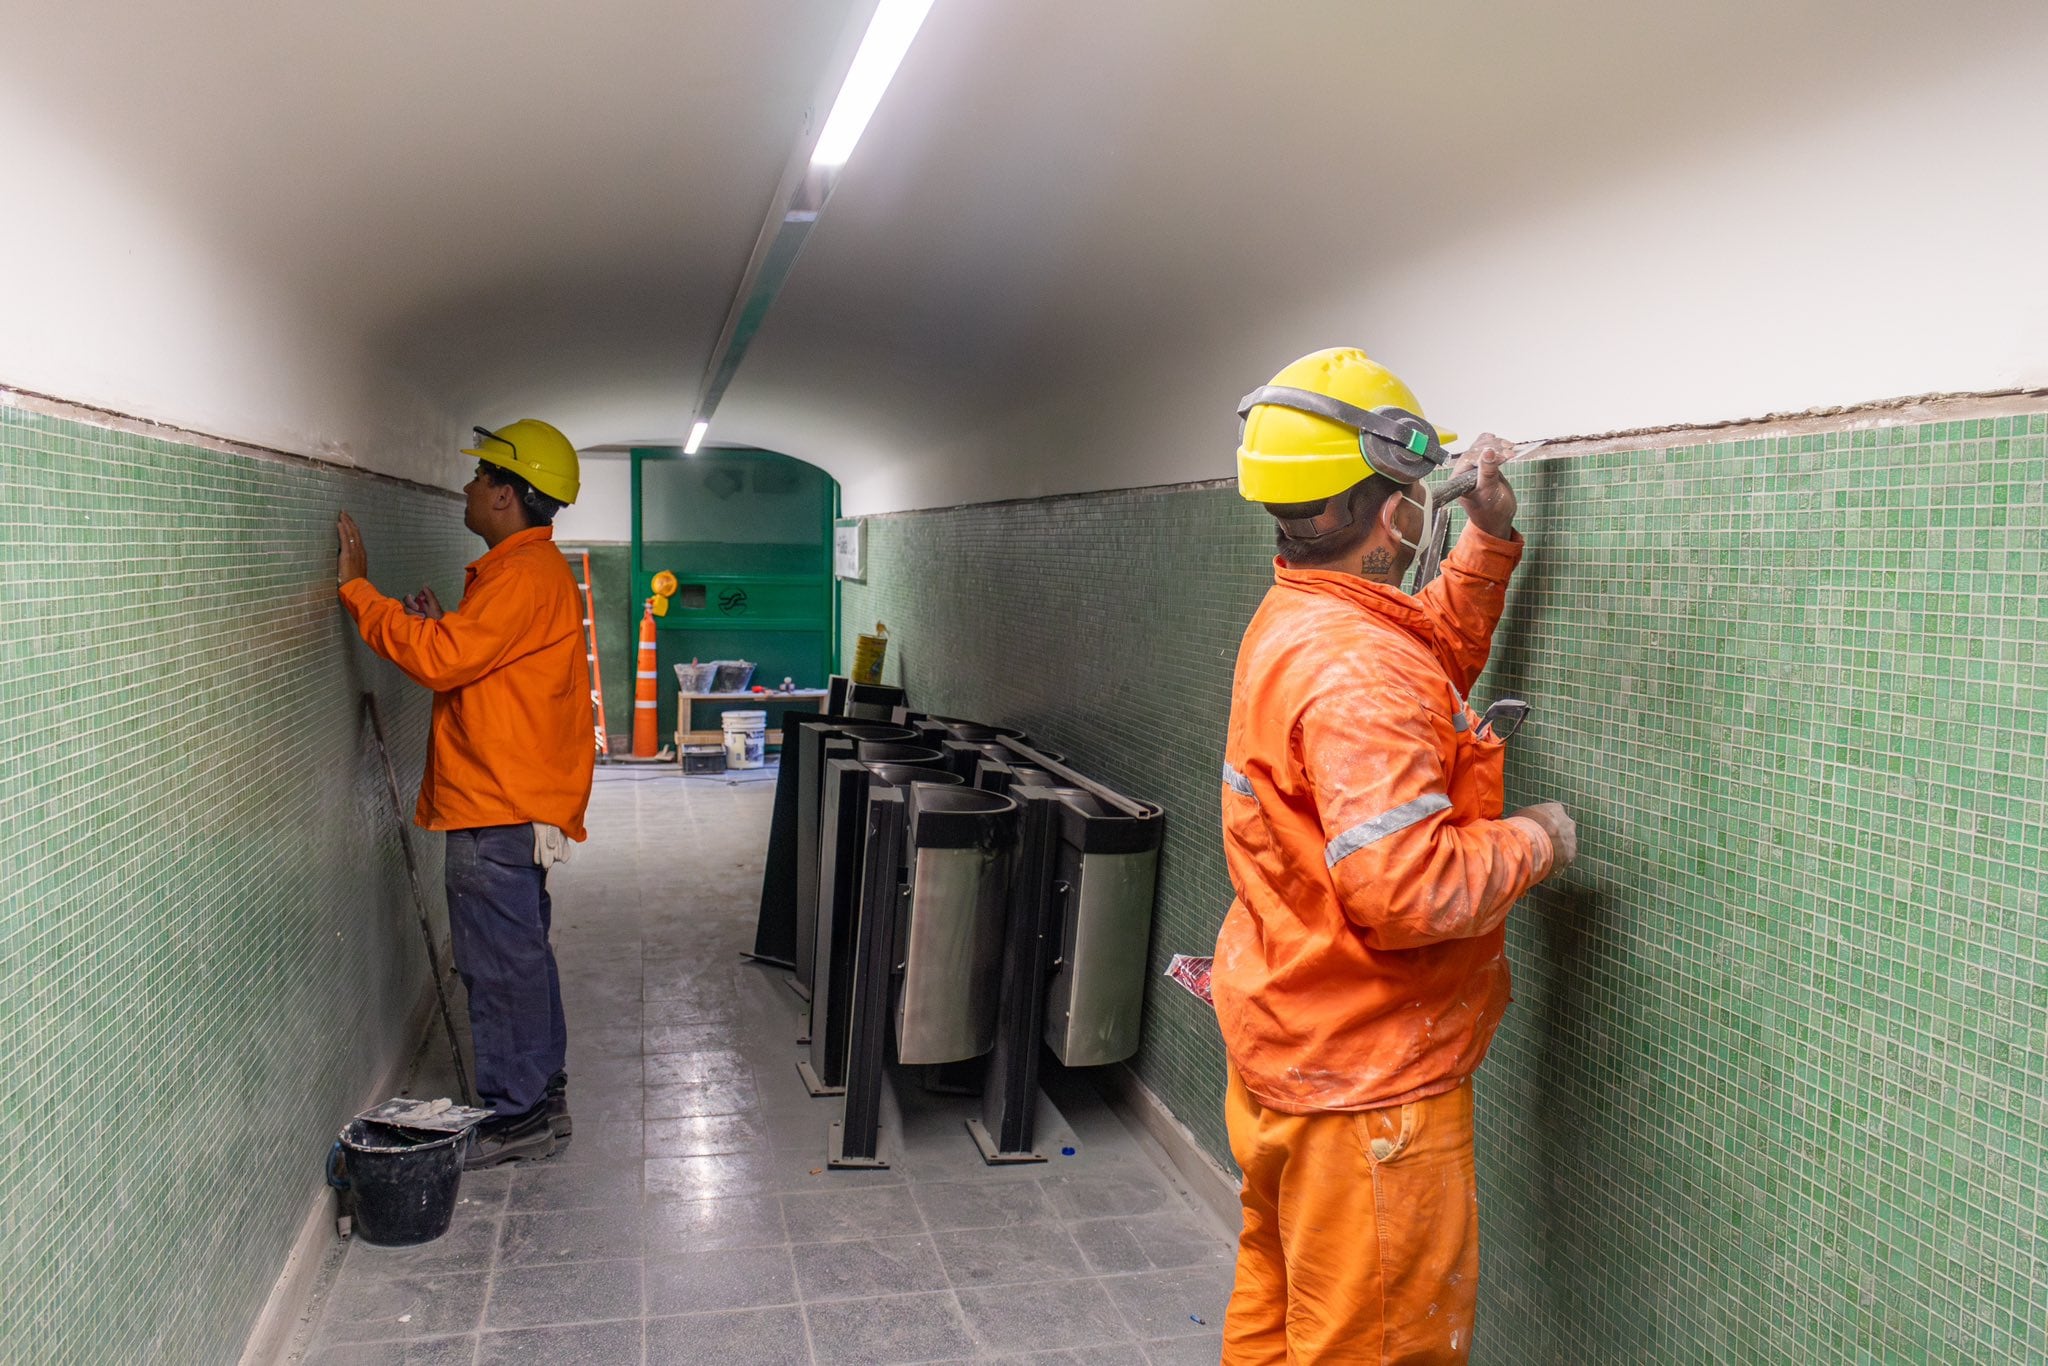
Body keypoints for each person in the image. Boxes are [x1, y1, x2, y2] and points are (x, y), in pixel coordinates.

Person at [1212, 348, 1579, 1364]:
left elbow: (1419, 662)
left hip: (1289, 1051)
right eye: (1422, 492)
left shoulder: (1303, 617)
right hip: (1368, 1097)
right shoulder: (1358, 670)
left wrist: (1487, 537)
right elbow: (1407, 890)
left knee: (1277, 1320)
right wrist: (1534, 841)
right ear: (1395, 514)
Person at [335, 420, 595, 1167]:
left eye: (482, 477)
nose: (469, 487)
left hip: (496, 810)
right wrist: (441, 629)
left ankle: (517, 1119)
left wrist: (359, 592)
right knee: (524, 960)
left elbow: (446, 663)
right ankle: (541, 1098)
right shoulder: (525, 574)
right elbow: (477, 660)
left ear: (509, 497)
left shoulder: (519, 577)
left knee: (497, 967)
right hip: (515, 802)